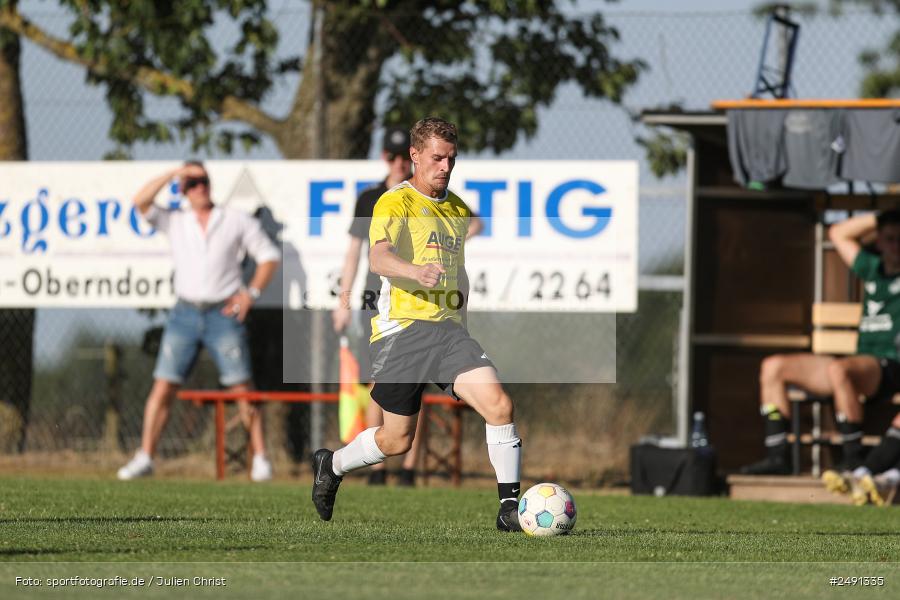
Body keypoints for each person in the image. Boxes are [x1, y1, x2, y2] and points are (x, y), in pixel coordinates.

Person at [312, 117, 523, 531]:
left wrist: (463, 315)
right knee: (397, 440)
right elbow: (378, 258)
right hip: (402, 332)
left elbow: (458, 272)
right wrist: (414, 271)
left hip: (448, 333)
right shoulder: (394, 202)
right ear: (415, 155)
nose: (445, 167)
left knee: (499, 405)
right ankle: (332, 465)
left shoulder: (457, 209)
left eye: (451, 159)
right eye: (437, 158)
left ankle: (509, 510)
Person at [332, 126, 482, 487]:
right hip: (381, 300)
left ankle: (409, 469)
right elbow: (356, 253)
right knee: (379, 384)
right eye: (393, 156)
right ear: (388, 157)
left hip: (430, 304)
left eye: (403, 156)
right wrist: (343, 300)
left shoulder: (439, 199)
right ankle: (377, 469)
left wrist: (444, 247)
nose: (398, 163)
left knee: (421, 386)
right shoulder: (374, 198)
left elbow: (472, 222)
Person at [117, 161, 281, 482]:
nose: (200, 187)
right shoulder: (174, 220)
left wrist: (250, 294)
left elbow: (268, 256)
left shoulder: (234, 219)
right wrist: (172, 173)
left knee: (242, 386)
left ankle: (261, 459)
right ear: (183, 189)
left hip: (223, 314)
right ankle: (146, 456)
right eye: (191, 183)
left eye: (202, 180)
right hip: (185, 314)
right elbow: (140, 201)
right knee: (163, 385)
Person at [740, 211, 900, 479]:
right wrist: (881, 216)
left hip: (889, 366)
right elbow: (838, 233)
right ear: (879, 241)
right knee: (773, 367)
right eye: (890, 239)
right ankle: (778, 457)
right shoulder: (872, 268)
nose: (896, 246)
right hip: (858, 363)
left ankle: (853, 458)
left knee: (840, 370)